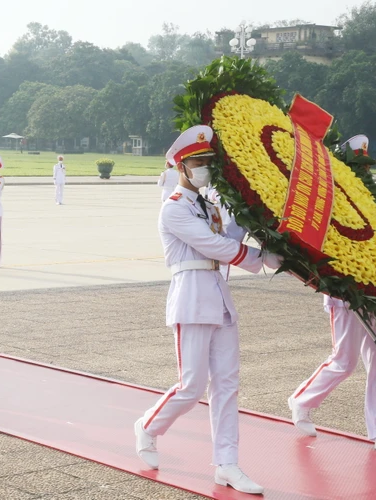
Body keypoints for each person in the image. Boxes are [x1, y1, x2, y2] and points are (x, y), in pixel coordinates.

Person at [133, 125, 281, 495]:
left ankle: (227, 463)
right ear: (180, 167)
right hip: (192, 297)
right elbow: (212, 246)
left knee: (227, 385)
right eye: (198, 162)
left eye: (208, 162)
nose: (205, 168)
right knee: (192, 385)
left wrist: (252, 219)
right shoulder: (173, 210)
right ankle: (148, 427)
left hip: (219, 296)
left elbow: (227, 237)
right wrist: (262, 259)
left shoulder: (209, 204)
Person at [288, 135, 376, 454]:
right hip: (344, 292)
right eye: (357, 167)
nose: (363, 173)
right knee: (344, 361)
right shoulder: (330, 202)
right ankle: (302, 400)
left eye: (366, 167)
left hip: (375, 289)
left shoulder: (372, 202)